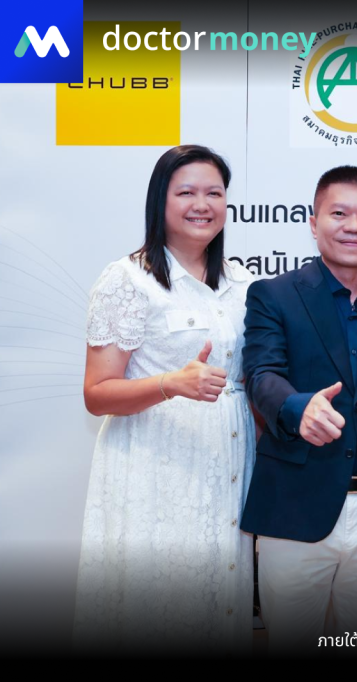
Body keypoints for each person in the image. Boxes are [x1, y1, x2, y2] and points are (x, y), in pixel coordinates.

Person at [241, 165, 357, 655]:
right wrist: (297, 407)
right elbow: (261, 374)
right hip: (295, 508)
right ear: (313, 221)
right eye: (339, 213)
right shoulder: (273, 295)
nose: (354, 227)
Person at [74, 145, 254, 655]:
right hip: (156, 472)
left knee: (220, 605)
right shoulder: (129, 279)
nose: (202, 204)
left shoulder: (242, 283)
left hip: (228, 472)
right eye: (186, 192)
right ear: (161, 201)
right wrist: (170, 384)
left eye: (214, 193)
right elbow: (97, 394)